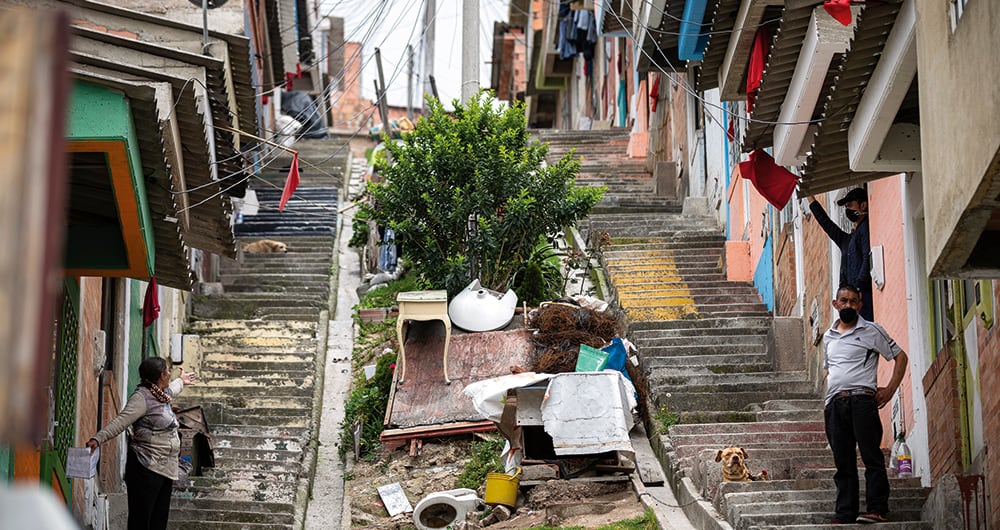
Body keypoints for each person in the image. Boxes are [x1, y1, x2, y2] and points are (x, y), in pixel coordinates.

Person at [823, 284, 908, 524]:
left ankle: (877, 509)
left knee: (871, 456)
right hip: (835, 405)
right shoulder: (828, 337)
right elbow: (831, 372)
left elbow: (900, 356)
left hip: (862, 400)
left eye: (853, 301)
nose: (848, 305)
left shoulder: (872, 330)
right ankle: (845, 513)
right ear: (835, 304)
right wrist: (827, 405)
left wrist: (890, 390)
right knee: (843, 460)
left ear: (860, 305)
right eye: (844, 301)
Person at [85, 357, 197, 530]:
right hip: (145, 468)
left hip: (165, 469)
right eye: (168, 371)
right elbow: (121, 421)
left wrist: (182, 381)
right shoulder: (141, 398)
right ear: (161, 375)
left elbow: (172, 390)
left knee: (158, 522)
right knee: (141, 521)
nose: (169, 373)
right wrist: (98, 438)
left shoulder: (161, 393)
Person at [809, 188, 873, 321]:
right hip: (852, 302)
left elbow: (867, 257)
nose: (847, 209)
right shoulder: (847, 240)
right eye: (846, 206)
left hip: (864, 299)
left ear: (863, 205)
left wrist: (859, 288)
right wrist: (810, 198)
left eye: (850, 205)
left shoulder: (866, 228)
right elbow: (826, 223)